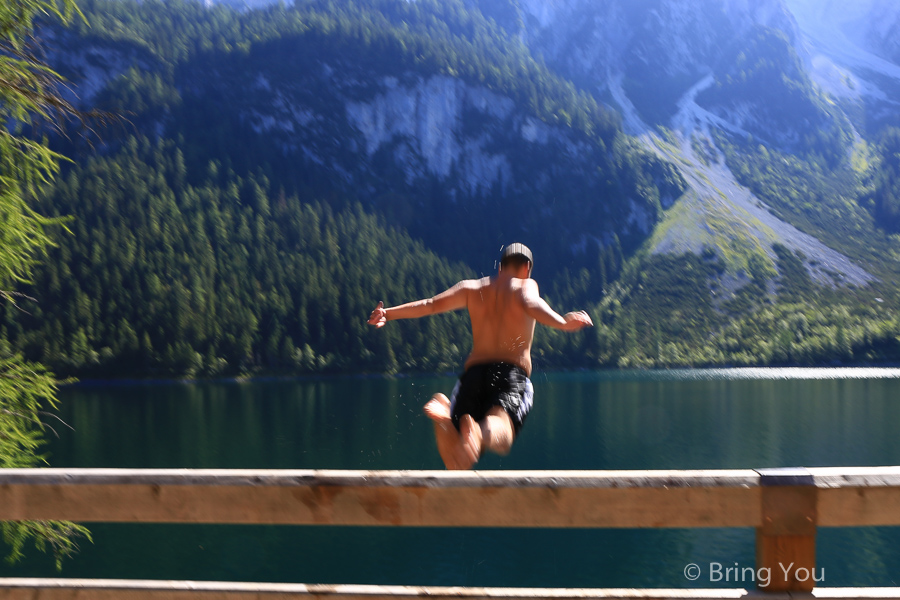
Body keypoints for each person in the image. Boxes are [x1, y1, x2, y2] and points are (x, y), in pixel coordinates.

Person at [367, 243, 593, 470]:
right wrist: (562, 322)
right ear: (526, 268)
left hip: (473, 375)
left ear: (500, 267)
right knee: (502, 428)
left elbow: (431, 304)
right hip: (510, 372)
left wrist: (387, 313)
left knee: (457, 461)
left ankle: (446, 415)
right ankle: (478, 433)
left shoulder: (472, 288)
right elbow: (532, 303)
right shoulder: (525, 285)